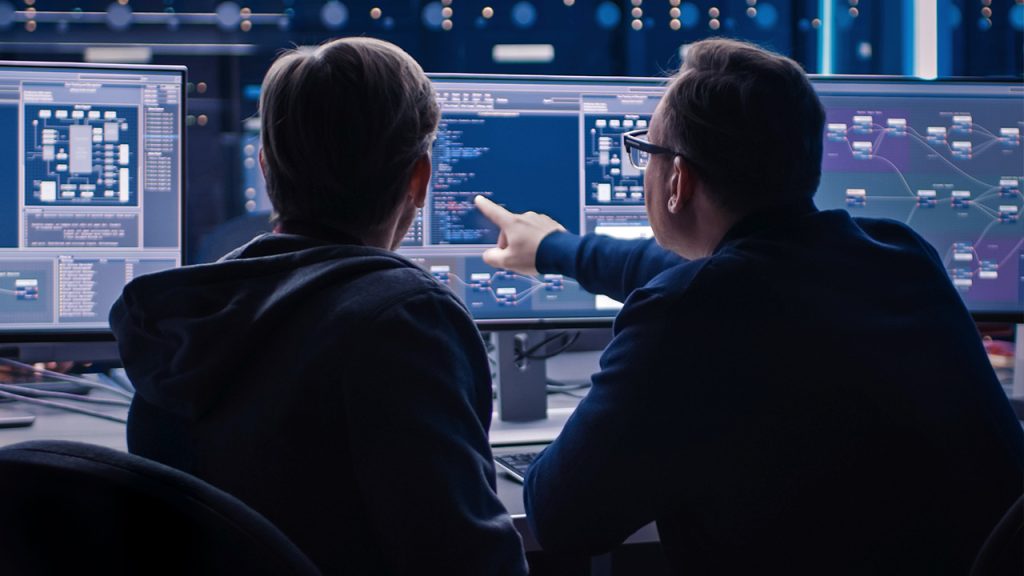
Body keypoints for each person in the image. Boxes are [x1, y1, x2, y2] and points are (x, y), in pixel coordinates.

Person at [474, 38, 1024, 573]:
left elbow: (560, 520)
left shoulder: (687, 315)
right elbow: (729, 275)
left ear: (678, 179)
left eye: (645, 149)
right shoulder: (898, 252)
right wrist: (558, 251)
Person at [110, 38, 527, 576]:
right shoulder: (405, 319)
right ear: (419, 179)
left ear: (265, 169)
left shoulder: (181, 320)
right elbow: (474, 563)